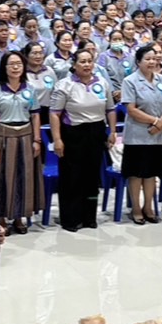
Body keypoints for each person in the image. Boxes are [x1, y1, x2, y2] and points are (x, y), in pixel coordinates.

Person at [49, 47, 116, 230]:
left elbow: (110, 109)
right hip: (73, 134)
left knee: (92, 177)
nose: (87, 65)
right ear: (74, 64)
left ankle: (89, 217)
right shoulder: (64, 85)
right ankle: (71, 218)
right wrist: (57, 139)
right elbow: (55, 114)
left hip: (96, 132)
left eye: (89, 61)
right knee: (73, 177)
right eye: (82, 61)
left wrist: (112, 131)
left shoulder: (102, 82)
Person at [0, 50, 42, 235]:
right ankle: (0, 217)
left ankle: (19, 216)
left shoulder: (30, 88)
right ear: (4, 68)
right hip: (4, 137)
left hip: (25, 136)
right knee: (1, 178)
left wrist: (36, 140)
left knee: (22, 177)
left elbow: (35, 116)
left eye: (19, 63)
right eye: (12, 64)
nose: (16, 67)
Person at [119, 43, 162, 224]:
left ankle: (148, 207)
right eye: (147, 59)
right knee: (136, 174)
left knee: (151, 174)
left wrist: (161, 121)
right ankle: (136, 208)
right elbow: (131, 109)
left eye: (154, 59)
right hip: (138, 135)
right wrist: (154, 121)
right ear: (138, 61)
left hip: (158, 135)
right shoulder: (130, 81)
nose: (151, 62)